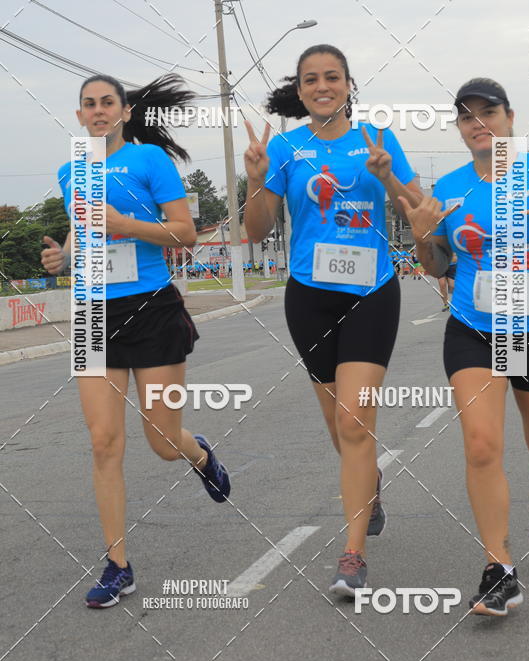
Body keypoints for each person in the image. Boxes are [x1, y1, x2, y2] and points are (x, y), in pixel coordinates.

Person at [400, 77, 529, 618]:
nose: (478, 123)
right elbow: (438, 265)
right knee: (483, 445)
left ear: (511, 118)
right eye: (467, 117)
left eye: (489, 112)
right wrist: (421, 236)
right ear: (460, 130)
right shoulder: (453, 188)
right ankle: (499, 567)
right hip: (474, 329)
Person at [41, 73, 230, 609]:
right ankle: (117, 565)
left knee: (162, 441)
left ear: (124, 112)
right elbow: (85, 234)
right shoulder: (69, 170)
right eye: (88, 105)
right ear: (78, 116)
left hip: (150, 308)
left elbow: (186, 232)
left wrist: (126, 222)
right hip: (90, 313)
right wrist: (64, 259)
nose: (97, 111)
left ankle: (199, 456)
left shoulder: (149, 160)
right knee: (104, 442)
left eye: (107, 103)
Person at [243, 44, 422, 596]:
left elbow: (417, 211)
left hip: (371, 291)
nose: (323, 86)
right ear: (300, 92)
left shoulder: (378, 140)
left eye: (333, 77)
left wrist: (389, 178)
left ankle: (352, 554)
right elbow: (255, 231)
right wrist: (254, 178)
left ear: (349, 84)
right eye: (311, 80)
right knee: (338, 425)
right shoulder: (286, 148)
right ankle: (370, 486)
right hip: (309, 297)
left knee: (353, 421)